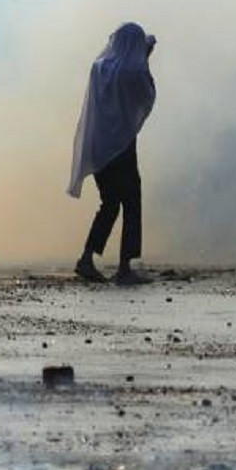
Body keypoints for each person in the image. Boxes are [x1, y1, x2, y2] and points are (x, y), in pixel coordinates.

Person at [68, 22, 157, 286]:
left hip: (97, 144)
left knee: (109, 202)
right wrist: (147, 58)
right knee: (131, 202)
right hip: (121, 146)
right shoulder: (135, 70)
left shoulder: (99, 67)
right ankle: (126, 265)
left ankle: (88, 258)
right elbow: (146, 96)